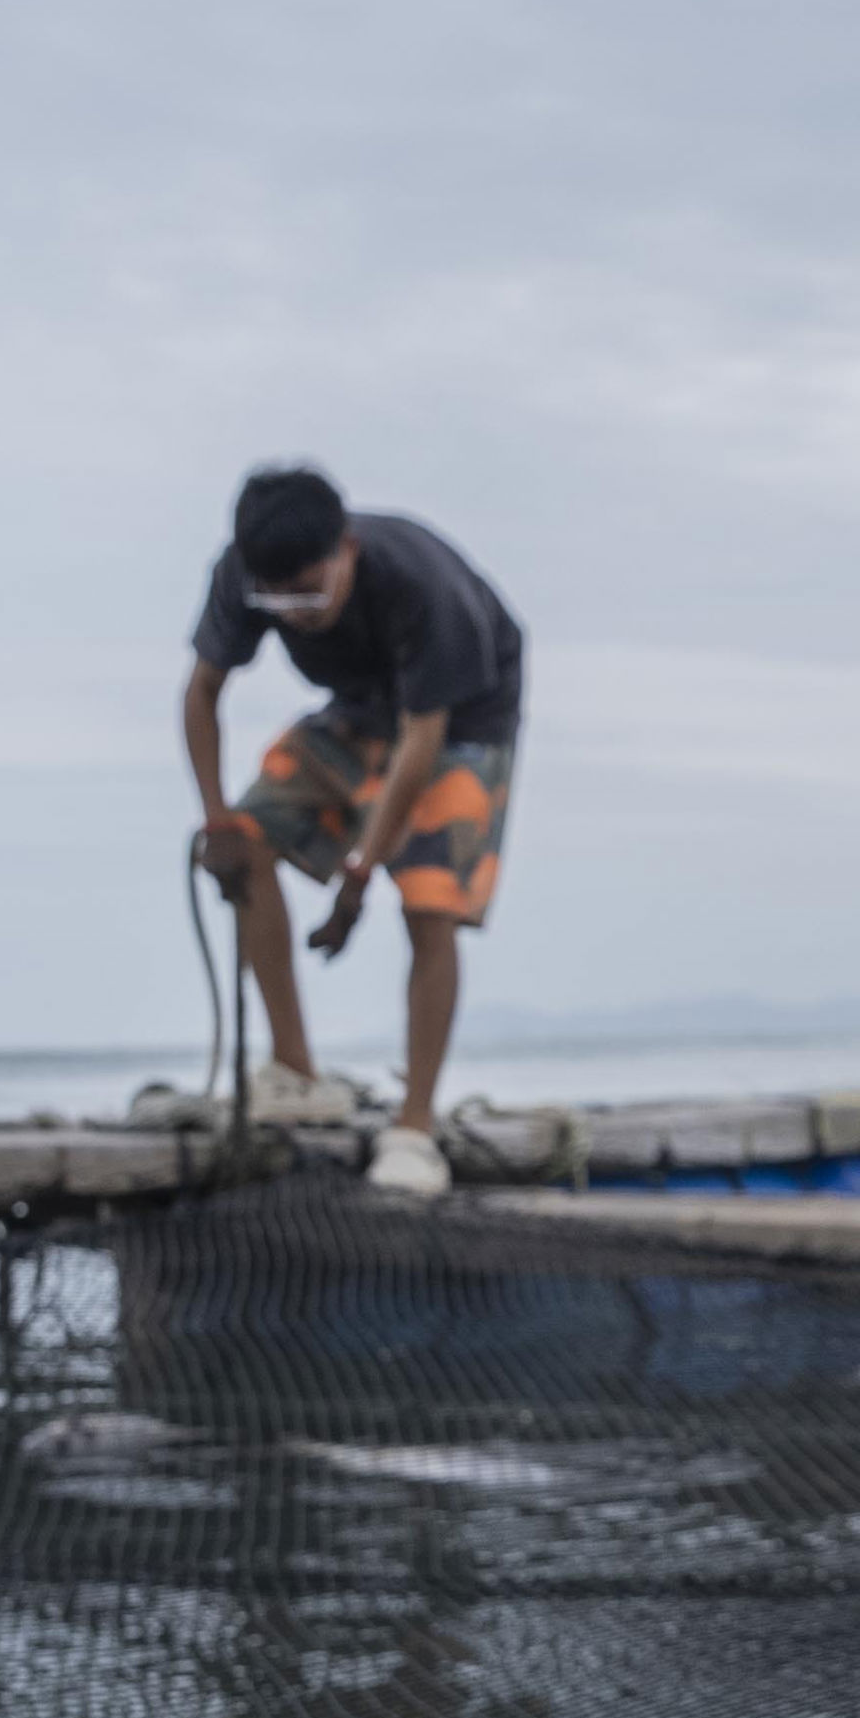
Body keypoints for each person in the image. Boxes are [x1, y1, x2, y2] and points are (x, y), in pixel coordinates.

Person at [181, 465, 526, 1194]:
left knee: (429, 899)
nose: (294, 613)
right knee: (247, 836)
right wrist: (215, 819)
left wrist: (361, 871)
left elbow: (421, 742)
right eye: (276, 599)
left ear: (346, 550)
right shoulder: (246, 574)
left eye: (310, 592)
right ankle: (295, 1071)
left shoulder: (421, 583)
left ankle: (415, 1127)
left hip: (461, 723)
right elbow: (202, 691)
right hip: (359, 708)